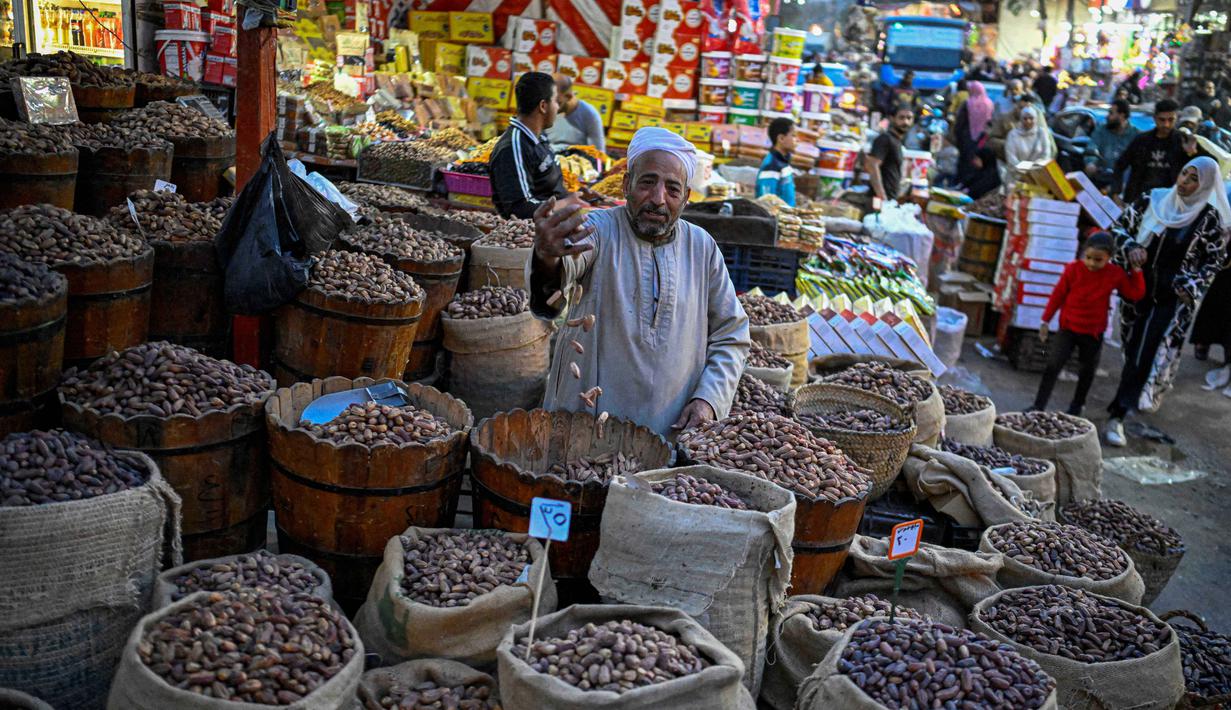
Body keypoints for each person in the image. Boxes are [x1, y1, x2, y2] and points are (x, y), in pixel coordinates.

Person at [526, 126, 750, 436]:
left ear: (686, 198)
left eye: (672, 189)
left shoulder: (702, 248)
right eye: (647, 183)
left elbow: (731, 334)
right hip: (583, 430)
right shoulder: (596, 230)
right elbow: (551, 291)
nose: (658, 199)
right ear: (626, 184)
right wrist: (546, 257)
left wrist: (709, 400)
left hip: (669, 434)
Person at [1103, 156, 1231, 445]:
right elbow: (1118, 229)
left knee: (1145, 350)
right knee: (1132, 344)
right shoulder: (1153, 200)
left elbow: (1214, 260)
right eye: (1184, 174)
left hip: (1172, 298)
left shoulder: (1208, 219)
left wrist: (1191, 284)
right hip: (1137, 288)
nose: (1184, 182)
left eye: (1193, 179)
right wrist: (1132, 246)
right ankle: (1129, 397)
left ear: (1207, 185)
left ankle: (1118, 414)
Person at [1032, 232, 1145, 415]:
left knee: (1086, 372)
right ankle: (1038, 406)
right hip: (1068, 328)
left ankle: (1077, 407)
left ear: (1109, 258)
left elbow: (1134, 294)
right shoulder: (1073, 269)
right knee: (1052, 366)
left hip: (1093, 332)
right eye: (1089, 258)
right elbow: (1058, 295)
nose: (1092, 263)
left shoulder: (1114, 274)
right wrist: (1045, 320)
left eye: (1098, 260)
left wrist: (1137, 271)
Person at [489, 72, 567, 219]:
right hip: (533, 235)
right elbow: (519, 209)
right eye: (556, 101)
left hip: (554, 223)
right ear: (543, 106)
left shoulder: (539, 136)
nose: (558, 107)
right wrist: (566, 204)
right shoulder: (513, 147)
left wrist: (582, 195)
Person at [1115, 99, 1203, 205]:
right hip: (1138, 199)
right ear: (1155, 118)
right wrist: (1116, 193)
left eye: (1171, 120)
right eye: (1162, 120)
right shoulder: (1141, 140)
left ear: (1176, 119)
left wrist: (1192, 153)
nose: (1166, 124)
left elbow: (1209, 165)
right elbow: (1120, 165)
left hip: (1169, 203)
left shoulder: (1184, 140)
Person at [1084, 99, 1139, 189]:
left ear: (1122, 115)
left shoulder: (1135, 135)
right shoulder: (1101, 130)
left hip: (1123, 184)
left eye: (1111, 113)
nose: (1107, 116)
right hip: (1100, 179)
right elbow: (1092, 147)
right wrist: (1091, 163)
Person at [545, 74, 606, 153]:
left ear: (568, 97)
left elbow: (598, 153)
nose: (550, 107)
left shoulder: (589, 114)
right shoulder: (544, 108)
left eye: (556, 101)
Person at [866, 103, 914, 203]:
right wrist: (882, 197)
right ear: (892, 119)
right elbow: (872, 165)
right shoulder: (885, 139)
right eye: (901, 118)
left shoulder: (897, 142)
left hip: (890, 199)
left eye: (909, 118)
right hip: (880, 201)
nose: (905, 122)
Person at [953, 80, 994, 184]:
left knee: (965, 161)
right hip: (983, 139)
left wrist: (957, 136)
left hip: (966, 137)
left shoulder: (967, 103)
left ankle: (962, 183)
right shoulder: (989, 104)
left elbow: (960, 122)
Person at [1004, 105, 1056, 183]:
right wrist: (1025, 172)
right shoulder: (1013, 135)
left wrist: (1032, 170)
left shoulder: (1042, 133)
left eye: (1031, 118)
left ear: (1036, 119)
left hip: (1038, 177)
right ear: (1021, 119)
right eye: (1025, 118)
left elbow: (1046, 155)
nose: (1028, 121)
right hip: (1017, 178)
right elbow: (1011, 159)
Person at [756, 117, 798, 206]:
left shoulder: (783, 162)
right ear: (781, 138)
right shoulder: (771, 166)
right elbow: (767, 201)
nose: (797, 140)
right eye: (793, 136)